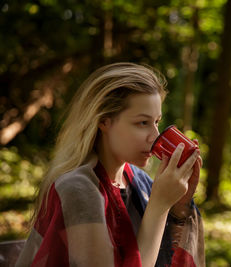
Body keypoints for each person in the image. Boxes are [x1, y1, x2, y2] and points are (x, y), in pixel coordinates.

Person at [16, 62, 205, 267]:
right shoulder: (77, 189)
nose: (155, 136)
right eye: (142, 123)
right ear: (104, 121)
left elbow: (171, 257)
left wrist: (180, 204)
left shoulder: (139, 181)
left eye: (156, 122)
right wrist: (159, 206)